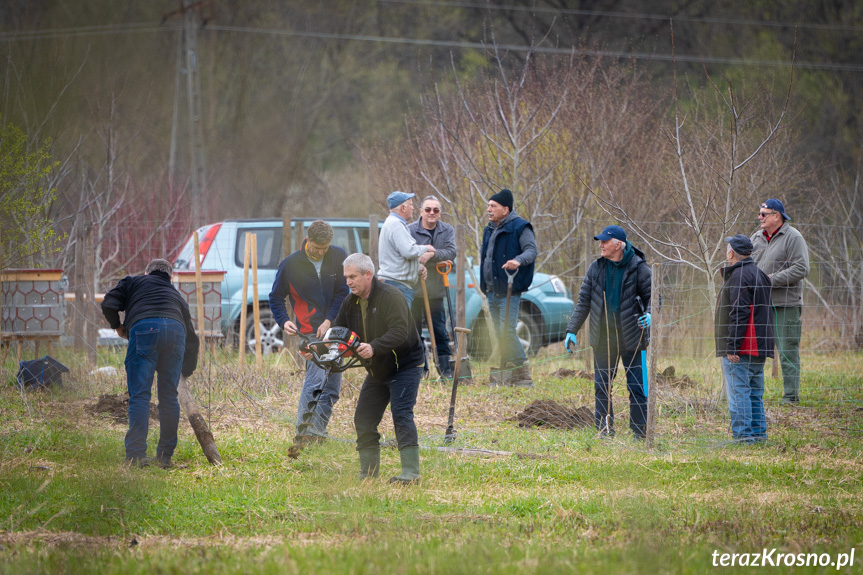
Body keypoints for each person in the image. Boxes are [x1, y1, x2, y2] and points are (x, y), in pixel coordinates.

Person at [334, 253, 425, 484]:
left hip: (405, 365)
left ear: (368, 274)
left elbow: (399, 332)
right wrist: (319, 347)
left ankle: (411, 473)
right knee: (363, 418)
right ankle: (369, 473)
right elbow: (339, 330)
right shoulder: (350, 302)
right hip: (378, 369)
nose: (348, 282)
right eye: (346, 277)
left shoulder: (390, 296)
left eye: (352, 276)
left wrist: (373, 347)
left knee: (401, 414)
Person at [101, 258, 199, 468]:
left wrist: (117, 326)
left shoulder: (132, 282)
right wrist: (186, 369)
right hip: (175, 332)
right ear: (169, 277)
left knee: (140, 396)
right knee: (168, 397)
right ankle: (164, 458)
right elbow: (191, 337)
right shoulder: (176, 296)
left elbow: (108, 303)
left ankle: (136, 457)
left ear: (147, 273)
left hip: (144, 329)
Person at [563, 225, 652, 439]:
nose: (601, 245)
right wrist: (571, 329)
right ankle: (604, 430)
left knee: (638, 387)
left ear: (618, 245)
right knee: (602, 386)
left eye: (605, 241)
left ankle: (640, 433)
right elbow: (584, 301)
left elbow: (654, 297)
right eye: (600, 241)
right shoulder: (596, 268)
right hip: (603, 338)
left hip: (634, 338)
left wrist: (650, 315)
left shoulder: (640, 267)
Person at [269, 220, 349, 445]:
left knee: (332, 387)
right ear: (308, 240)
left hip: (335, 331)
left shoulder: (338, 256)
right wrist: (283, 320)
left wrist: (328, 320)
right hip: (308, 332)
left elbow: (342, 292)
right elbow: (275, 297)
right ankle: (302, 434)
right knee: (315, 382)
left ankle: (317, 433)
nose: (320, 252)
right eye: (316, 248)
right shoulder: (290, 264)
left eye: (324, 249)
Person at [715, 234, 774, 444]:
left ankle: (743, 438)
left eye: (727, 248)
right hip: (760, 347)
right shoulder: (760, 274)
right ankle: (758, 436)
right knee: (755, 393)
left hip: (743, 348)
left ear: (731, 253)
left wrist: (731, 346)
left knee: (739, 392)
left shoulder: (739, 276)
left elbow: (738, 312)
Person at [749, 199, 810, 404]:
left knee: (787, 351)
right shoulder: (756, 237)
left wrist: (769, 280)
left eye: (764, 214)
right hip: (759, 304)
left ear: (777, 216)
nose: (760, 217)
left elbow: (801, 269)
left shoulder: (794, 237)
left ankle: (790, 397)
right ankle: (753, 395)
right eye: (760, 213)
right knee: (754, 350)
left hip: (786, 305)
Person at [479, 188, 536, 386]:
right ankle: (508, 371)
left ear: (506, 209)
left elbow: (531, 251)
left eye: (493, 206)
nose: (489, 209)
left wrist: (518, 261)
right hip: (492, 291)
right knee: (499, 333)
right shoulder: (489, 229)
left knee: (507, 331)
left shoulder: (520, 227)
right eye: (488, 206)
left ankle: (523, 373)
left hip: (509, 289)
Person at [408, 195, 457, 378]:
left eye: (435, 210)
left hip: (436, 289)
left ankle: (445, 371)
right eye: (427, 209)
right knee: (414, 331)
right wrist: (420, 259)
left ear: (440, 213)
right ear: (421, 212)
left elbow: (451, 252)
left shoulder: (446, 230)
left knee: (439, 330)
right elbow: (406, 253)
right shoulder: (410, 230)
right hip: (414, 289)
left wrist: (431, 254)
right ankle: (420, 369)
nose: (431, 213)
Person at [378, 191, 435, 309]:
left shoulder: (393, 223)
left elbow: (399, 255)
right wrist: (426, 248)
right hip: (397, 286)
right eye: (411, 205)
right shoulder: (396, 225)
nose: (413, 208)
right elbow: (408, 251)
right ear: (403, 208)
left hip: (394, 284)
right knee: (400, 326)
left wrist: (416, 267)